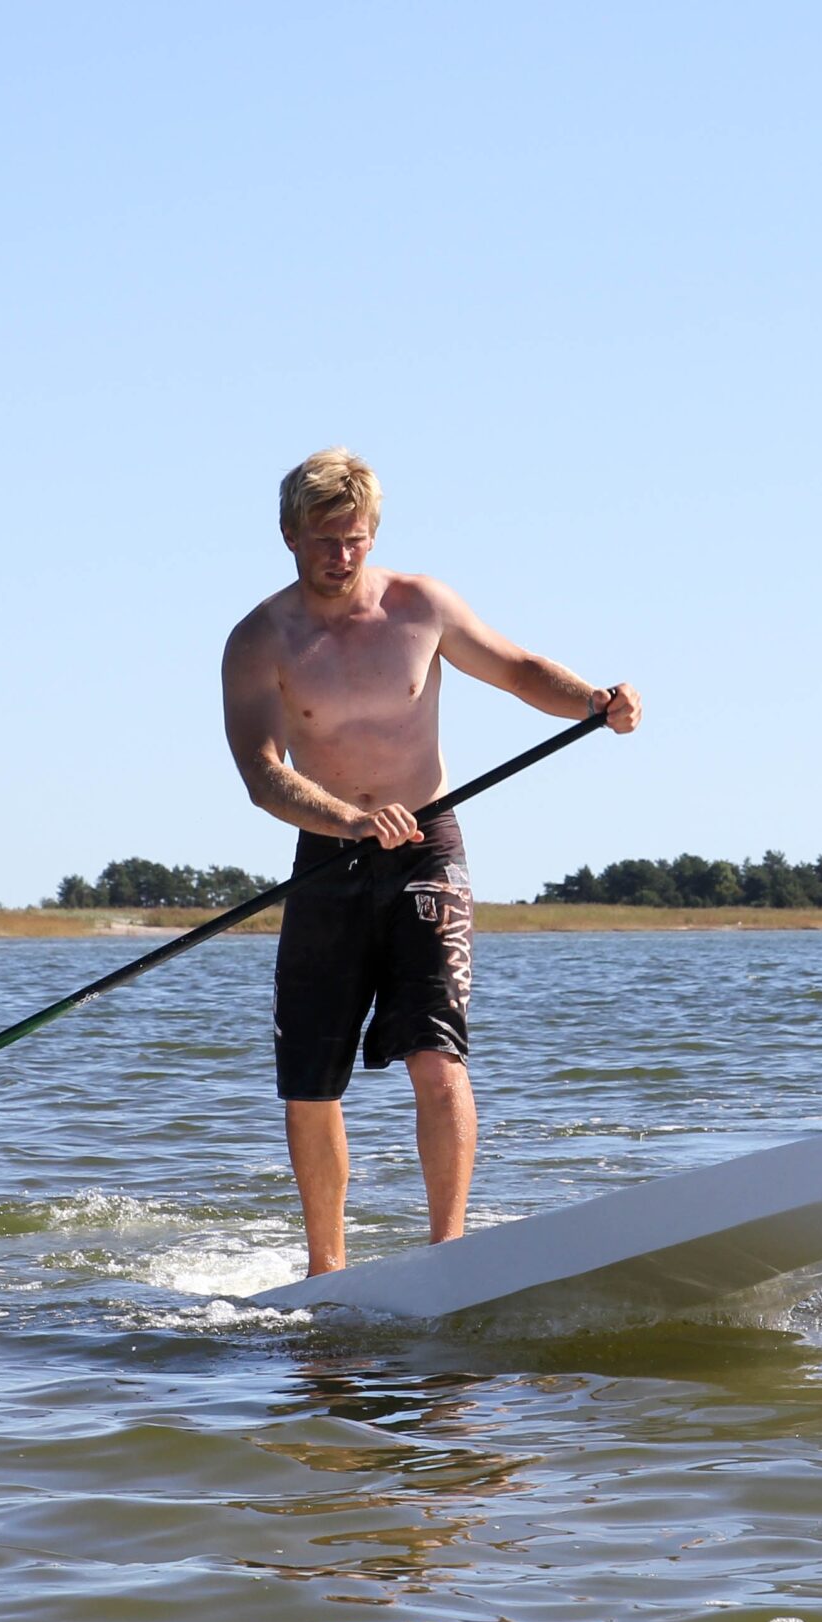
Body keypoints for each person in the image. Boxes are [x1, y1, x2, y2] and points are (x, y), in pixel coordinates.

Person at [221, 447, 641, 1277]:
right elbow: (262, 775)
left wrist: (593, 701)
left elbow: (518, 670)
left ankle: (447, 1255)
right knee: (310, 1080)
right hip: (328, 859)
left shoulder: (420, 606)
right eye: (324, 539)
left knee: (437, 1056)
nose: (341, 556)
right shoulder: (259, 640)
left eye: (355, 538)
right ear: (288, 536)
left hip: (428, 848)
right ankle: (325, 1270)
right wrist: (347, 818)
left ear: (372, 535)